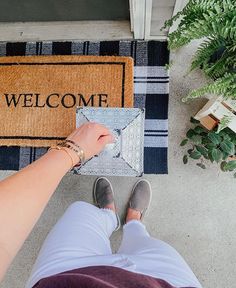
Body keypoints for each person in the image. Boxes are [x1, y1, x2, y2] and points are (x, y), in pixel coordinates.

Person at [0, 123, 202, 288]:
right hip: (166, 280)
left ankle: (108, 216)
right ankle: (133, 221)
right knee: (142, 240)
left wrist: (71, 150)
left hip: (66, 275)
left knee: (80, 211)